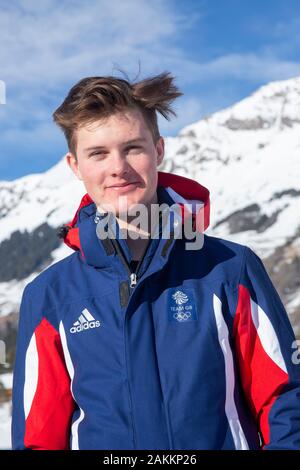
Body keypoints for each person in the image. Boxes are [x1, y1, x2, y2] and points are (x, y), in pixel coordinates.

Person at [11, 72, 300, 450]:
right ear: (74, 165)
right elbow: (36, 437)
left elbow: (284, 401)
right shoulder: (50, 296)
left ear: (158, 151)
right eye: (98, 153)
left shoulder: (231, 269)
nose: (118, 167)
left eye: (133, 148)